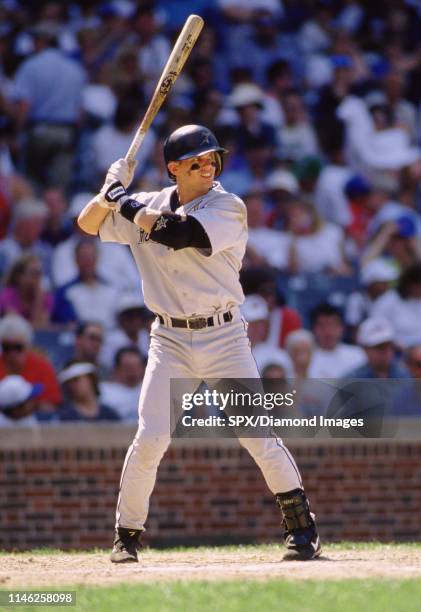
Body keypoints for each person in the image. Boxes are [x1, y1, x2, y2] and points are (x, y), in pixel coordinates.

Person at [77, 124, 321, 563]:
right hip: (168, 338)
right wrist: (106, 191)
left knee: (257, 435)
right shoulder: (145, 204)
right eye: (197, 161)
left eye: (212, 159)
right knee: (150, 437)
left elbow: (178, 232)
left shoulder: (228, 205)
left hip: (224, 336)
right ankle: (126, 535)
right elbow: (88, 224)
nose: (208, 166)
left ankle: (303, 531)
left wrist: (124, 201)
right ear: (174, 169)